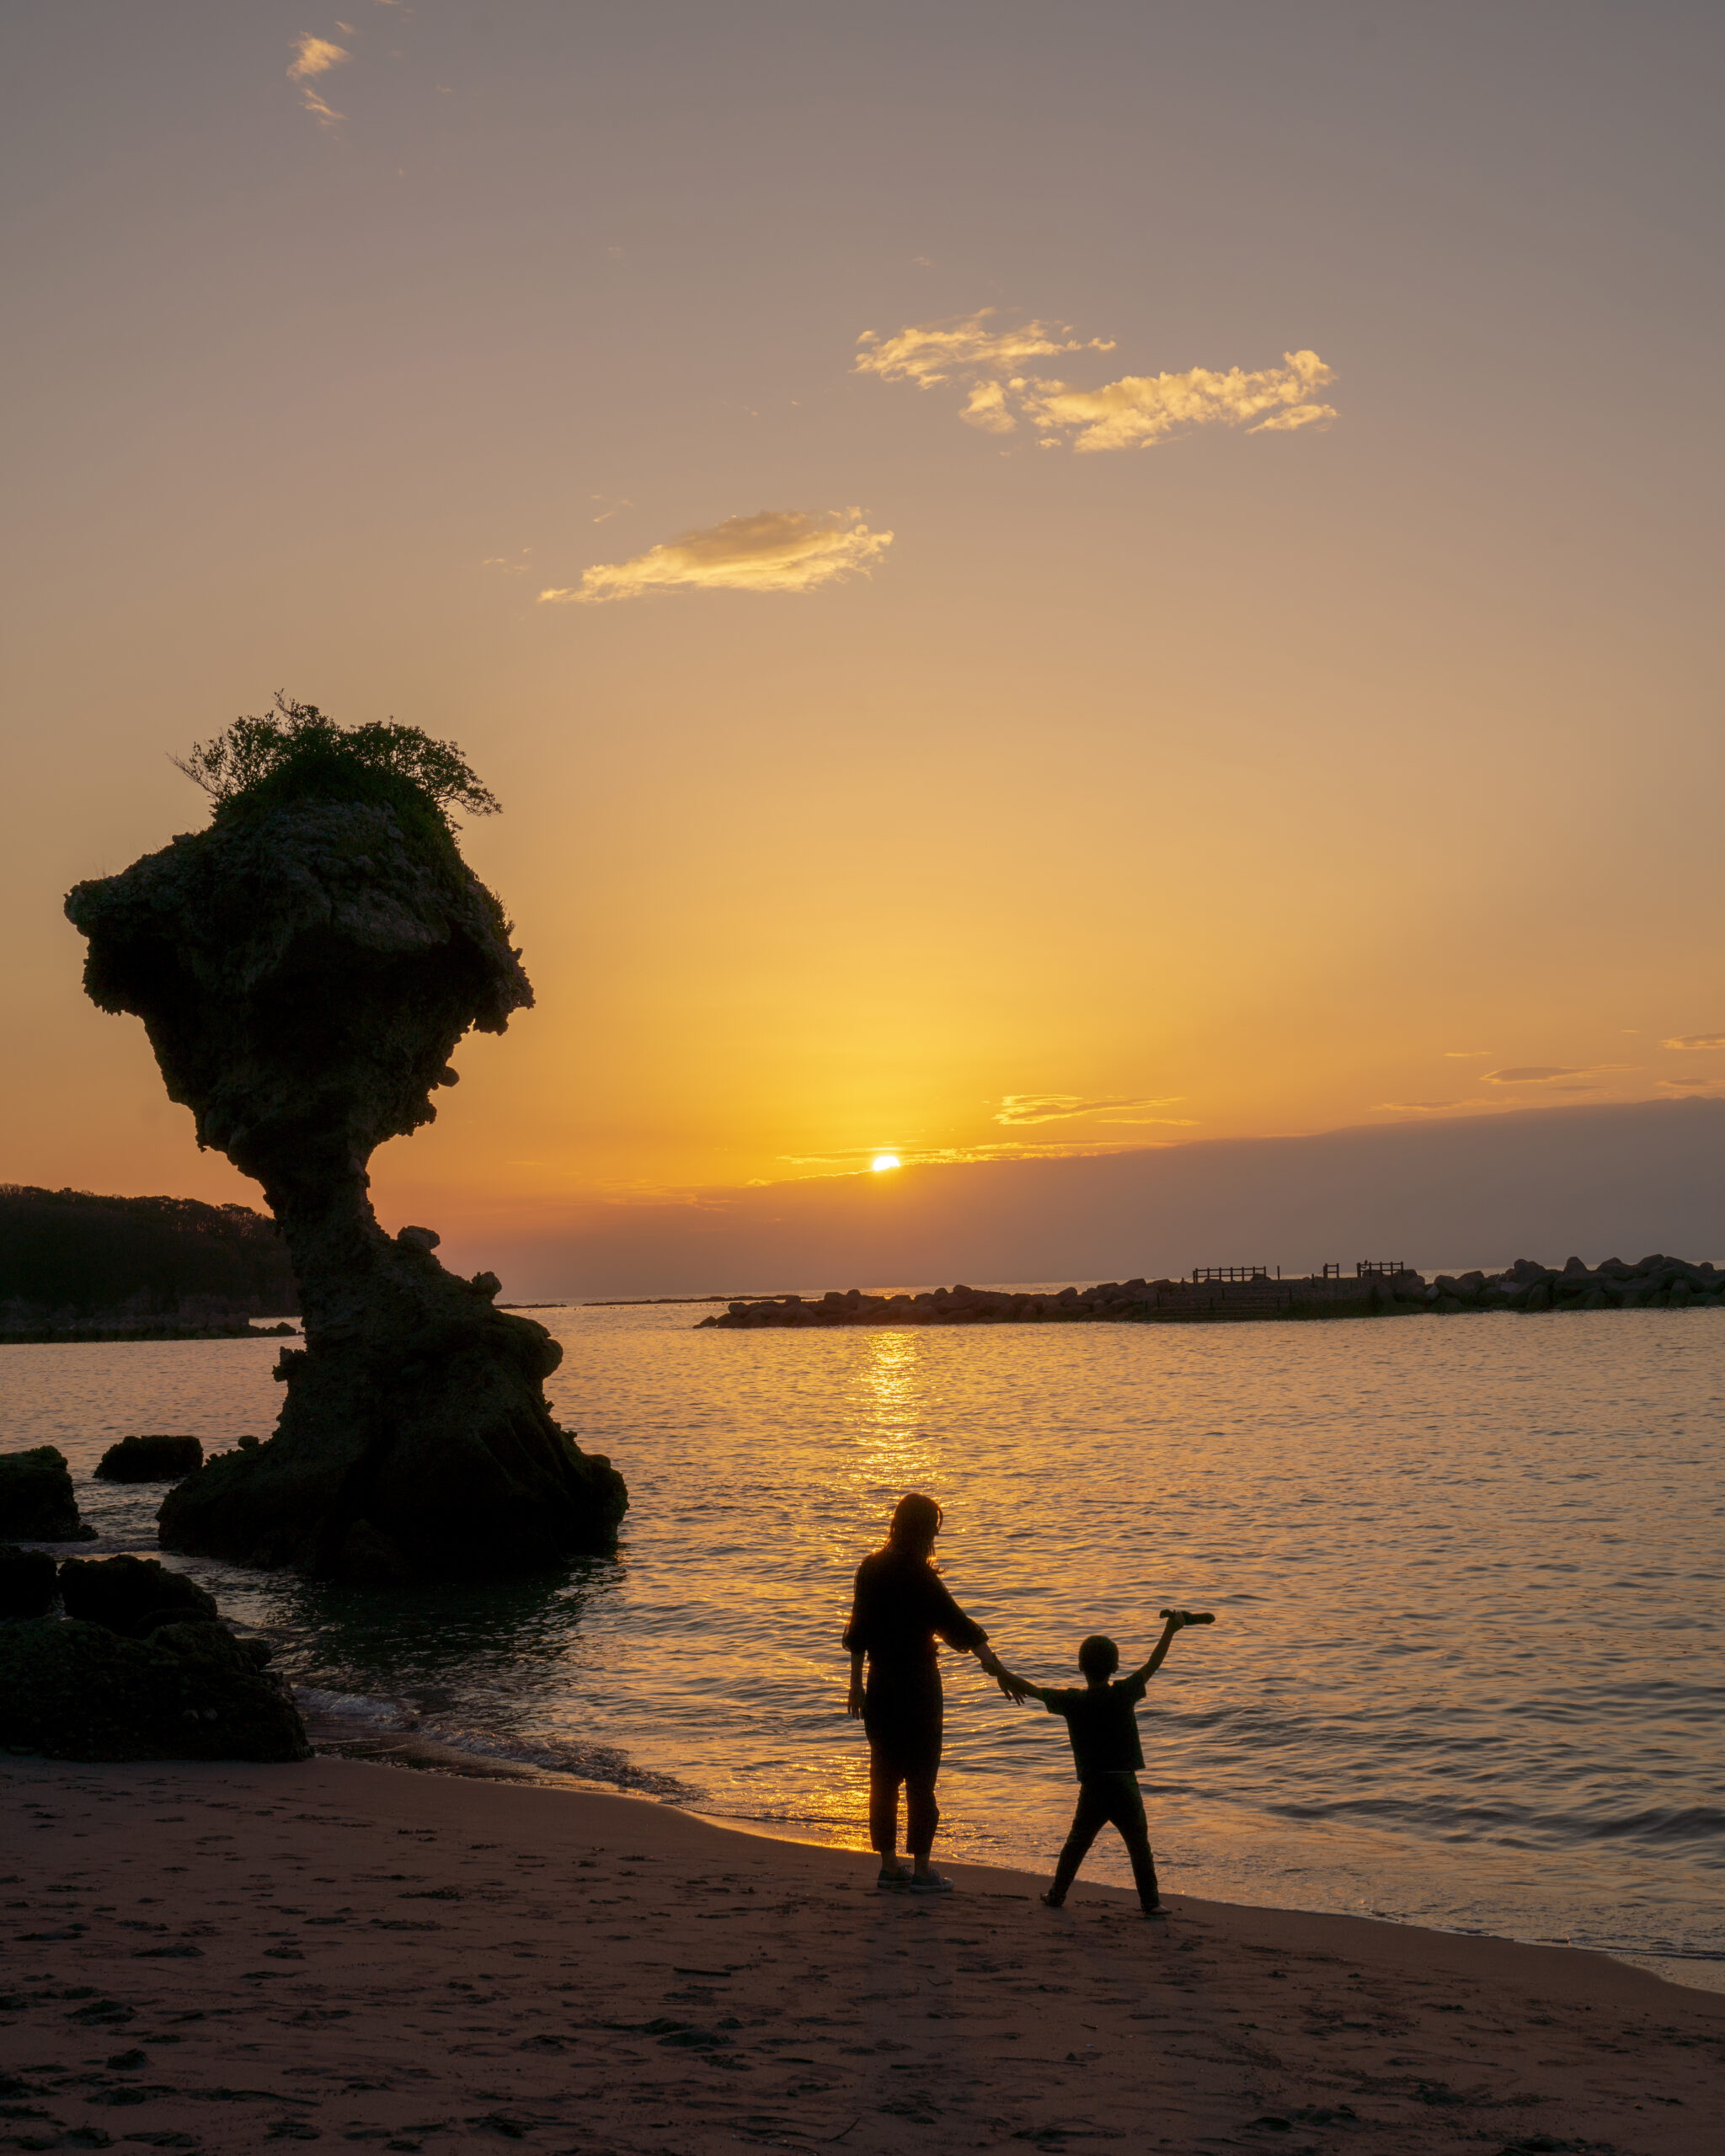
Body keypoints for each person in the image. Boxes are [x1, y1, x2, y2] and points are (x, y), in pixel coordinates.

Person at [843, 1492, 1021, 1893]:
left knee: (883, 1779)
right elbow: (960, 1626)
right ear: (924, 1532)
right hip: (918, 1687)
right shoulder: (921, 1577)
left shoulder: (870, 1568)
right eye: (934, 1531)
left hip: (881, 1684)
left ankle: (889, 1867)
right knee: (921, 1780)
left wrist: (855, 1685)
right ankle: (922, 1871)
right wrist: (999, 1671)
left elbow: (858, 1633)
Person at [995, 1609, 1214, 1917]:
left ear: (1080, 1667)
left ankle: (1057, 1894)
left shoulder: (1073, 1701)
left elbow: (1032, 1690)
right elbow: (1153, 1664)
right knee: (1139, 1846)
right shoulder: (1124, 1692)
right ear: (1115, 1667)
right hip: (1125, 1783)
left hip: (1094, 1786)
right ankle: (1151, 1902)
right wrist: (1170, 1631)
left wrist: (999, 1670)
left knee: (1076, 1844)